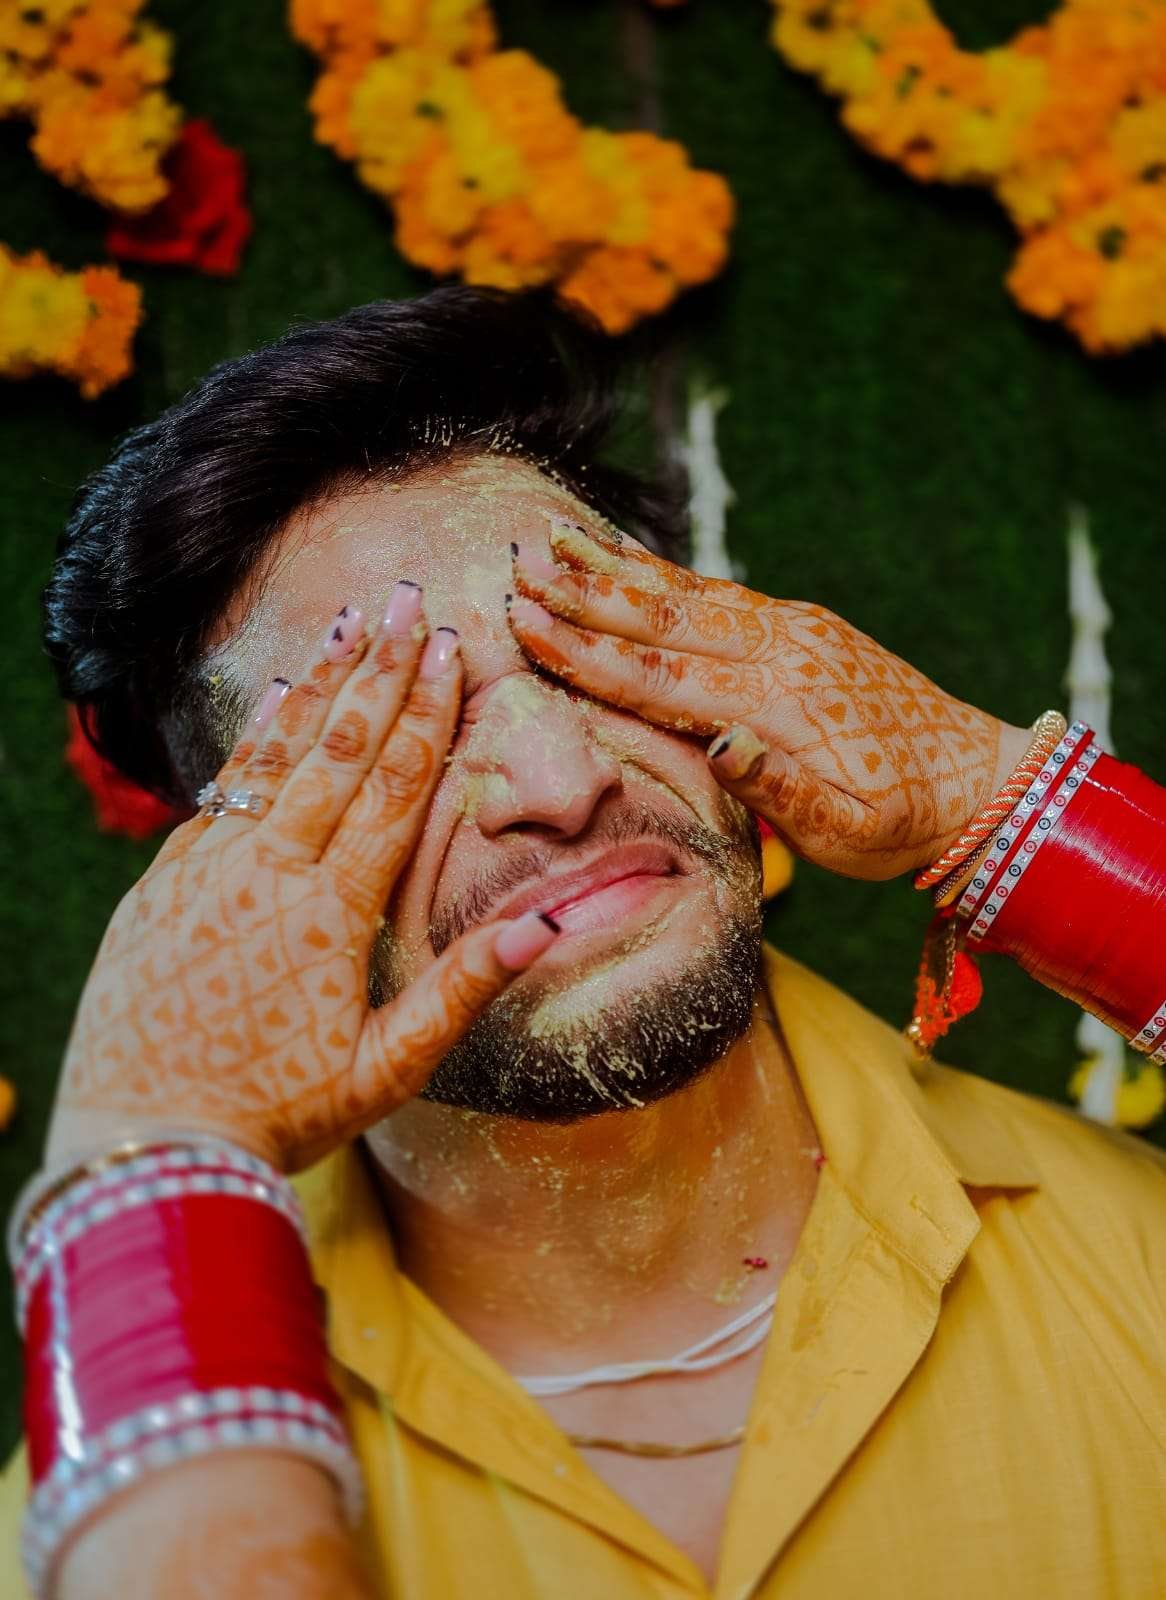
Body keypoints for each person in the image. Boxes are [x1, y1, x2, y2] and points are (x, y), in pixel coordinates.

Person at [3, 289, 1163, 1600]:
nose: (559, 784)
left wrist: (1001, 800)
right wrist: (160, 1161)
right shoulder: (64, 1543)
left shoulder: (1138, 1261)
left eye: (591, 656)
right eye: (398, 731)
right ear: (225, 882)